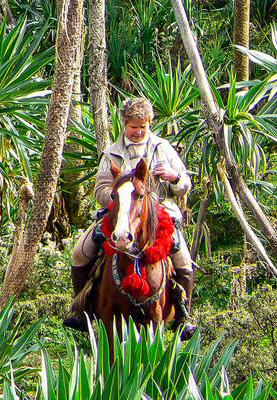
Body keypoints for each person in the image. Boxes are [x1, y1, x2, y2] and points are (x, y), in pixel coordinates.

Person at [63, 97, 197, 339]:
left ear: (149, 124)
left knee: (183, 257)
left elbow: (185, 184)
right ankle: (80, 310)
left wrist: (173, 177)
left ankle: (184, 315)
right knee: (80, 251)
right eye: (133, 127)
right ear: (124, 124)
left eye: (142, 126)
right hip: (119, 216)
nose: (138, 132)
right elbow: (100, 189)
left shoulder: (163, 148)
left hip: (160, 216)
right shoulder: (112, 153)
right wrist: (120, 197)